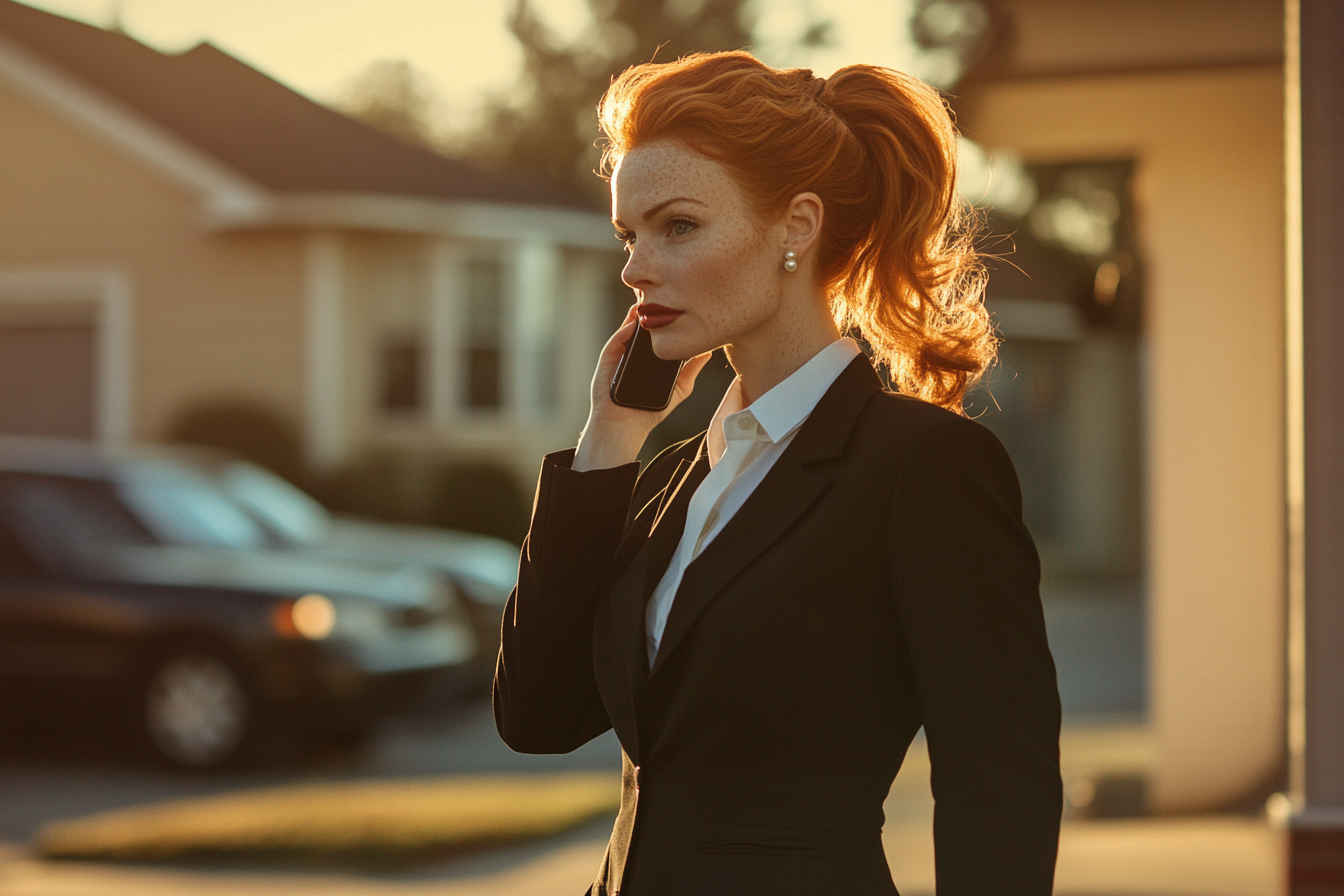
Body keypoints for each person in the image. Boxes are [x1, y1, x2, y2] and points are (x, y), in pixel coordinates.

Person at [494, 50, 1062, 896]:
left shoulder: (923, 467)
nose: (636, 267)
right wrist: (608, 439)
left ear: (795, 227)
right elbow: (539, 716)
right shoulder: (669, 481)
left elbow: (999, 785)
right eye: (629, 233)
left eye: (677, 226)